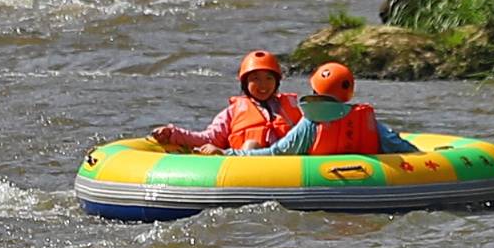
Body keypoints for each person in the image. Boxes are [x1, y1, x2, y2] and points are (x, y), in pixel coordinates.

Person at [257, 62, 420, 157]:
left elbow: (277, 152)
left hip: (319, 185)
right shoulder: (366, 121)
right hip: (368, 184)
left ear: (315, 90)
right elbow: (400, 146)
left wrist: (235, 155)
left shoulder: (310, 122)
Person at [150, 50, 301, 153]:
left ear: (277, 82)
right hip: (248, 165)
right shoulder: (232, 112)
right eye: (255, 79)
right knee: (251, 144)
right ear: (245, 84)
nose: (263, 85)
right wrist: (173, 134)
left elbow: (310, 132)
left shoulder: (291, 108)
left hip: (287, 162)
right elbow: (208, 138)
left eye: (269, 78)